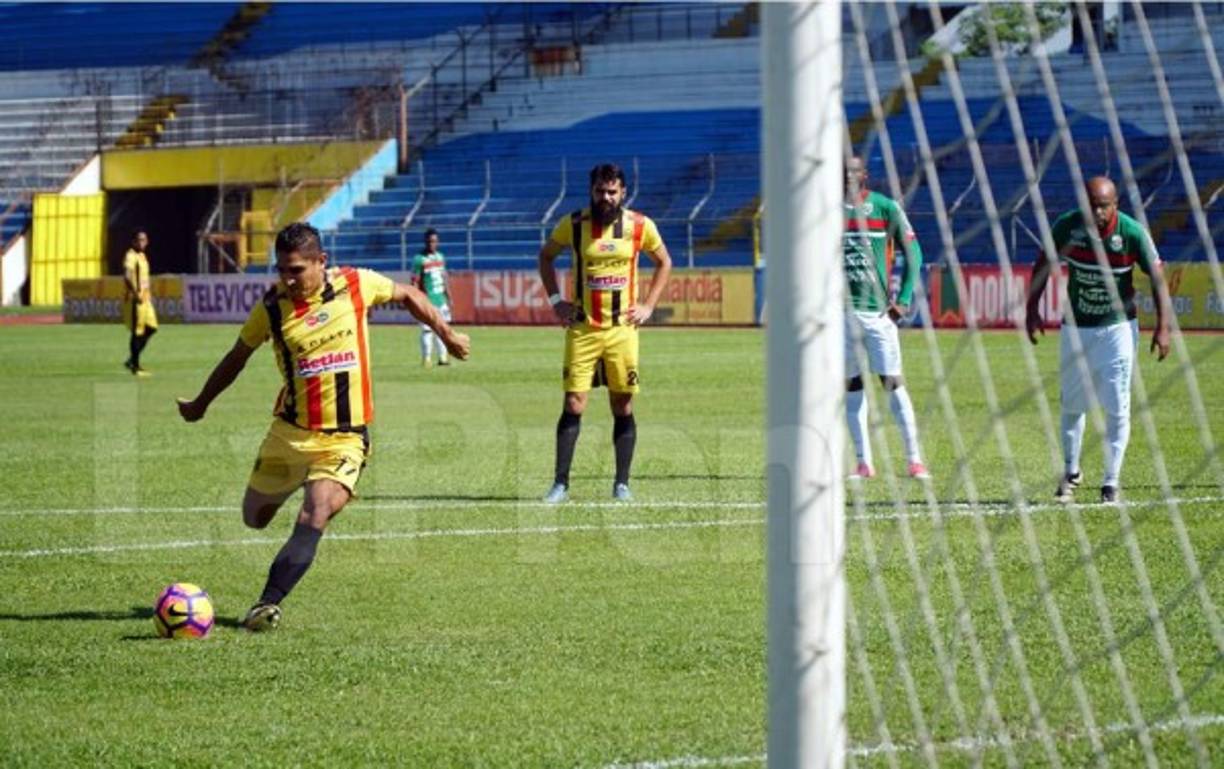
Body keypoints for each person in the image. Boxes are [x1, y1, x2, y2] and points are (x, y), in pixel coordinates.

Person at [175, 223, 470, 631]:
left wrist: (447, 334)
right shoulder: (271, 309)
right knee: (253, 518)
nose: (288, 279)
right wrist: (200, 404)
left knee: (314, 515)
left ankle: (267, 604)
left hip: (345, 438)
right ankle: (307, 481)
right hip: (290, 433)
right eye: (281, 270)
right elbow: (236, 357)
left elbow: (408, 294)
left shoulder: (355, 283)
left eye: (296, 269)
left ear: (321, 262)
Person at [1025, 176, 1171, 504]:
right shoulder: (1068, 226)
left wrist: (1163, 327)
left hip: (1118, 329)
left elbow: (1159, 280)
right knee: (1072, 404)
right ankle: (1071, 471)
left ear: (1115, 205)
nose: (1097, 212)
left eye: (1103, 206)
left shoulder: (1132, 233)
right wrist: (1031, 310)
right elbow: (1043, 264)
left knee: (1117, 406)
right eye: (1091, 206)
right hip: (1076, 328)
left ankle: (1111, 481)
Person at [537, 162, 673, 503]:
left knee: (622, 404)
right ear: (592, 190)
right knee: (573, 402)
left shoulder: (640, 226)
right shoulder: (574, 224)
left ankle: (622, 484)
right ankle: (560, 484)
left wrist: (648, 306)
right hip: (583, 328)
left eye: (612, 191)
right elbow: (546, 257)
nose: (606, 197)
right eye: (600, 190)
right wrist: (557, 301)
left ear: (623, 192)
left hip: (622, 330)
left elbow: (664, 261)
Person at [842, 155, 929, 481]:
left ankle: (914, 459)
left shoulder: (885, 207)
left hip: (878, 314)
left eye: (854, 171)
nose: (849, 176)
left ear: (865, 174)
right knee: (851, 385)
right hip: (841, 315)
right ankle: (864, 462)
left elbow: (914, 253)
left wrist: (904, 298)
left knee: (892, 382)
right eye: (843, 171)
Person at [411, 228, 453, 367]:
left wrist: (449, 296)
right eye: (429, 241)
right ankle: (426, 359)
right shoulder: (419, 259)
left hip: (441, 300)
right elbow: (414, 281)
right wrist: (416, 300)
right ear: (425, 242)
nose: (431, 244)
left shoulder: (440, 257)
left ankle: (442, 357)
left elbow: (444, 278)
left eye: (434, 241)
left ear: (438, 242)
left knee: (443, 329)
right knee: (427, 330)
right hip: (427, 300)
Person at [122, 230, 157, 376]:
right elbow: (127, 276)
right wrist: (135, 294)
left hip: (145, 300)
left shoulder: (142, 256)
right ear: (134, 242)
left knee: (152, 328)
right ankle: (135, 367)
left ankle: (131, 359)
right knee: (137, 332)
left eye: (144, 240)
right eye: (139, 240)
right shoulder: (131, 255)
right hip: (136, 300)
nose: (141, 243)